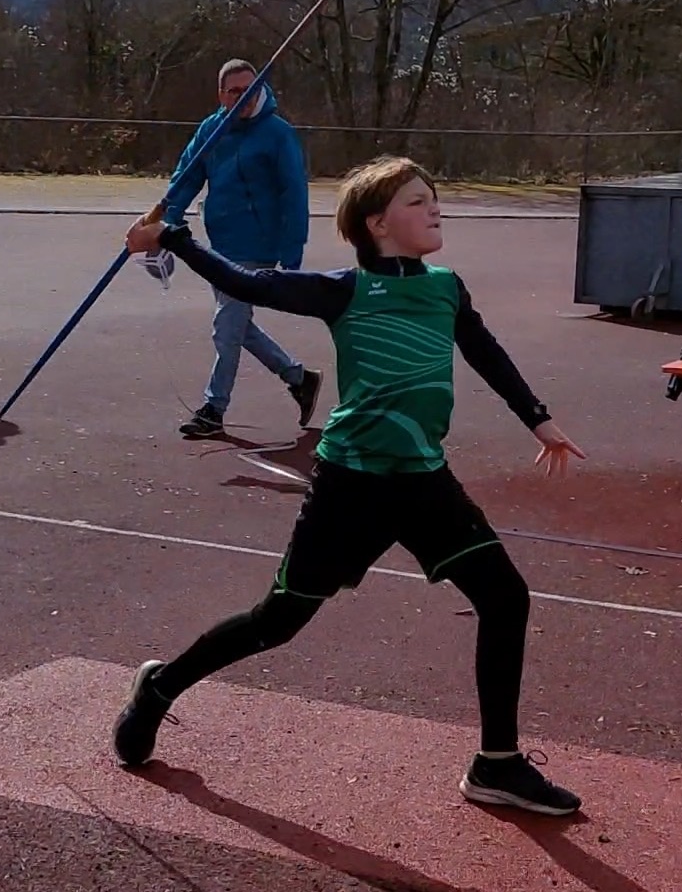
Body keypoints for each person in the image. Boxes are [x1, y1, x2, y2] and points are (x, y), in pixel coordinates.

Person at [115, 155, 587, 816]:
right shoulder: (345, 290)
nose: (434, 208)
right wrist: (173, 237)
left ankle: (497, 764)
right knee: (276, 623)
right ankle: (160, 687)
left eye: (433, 197)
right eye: (417, 201)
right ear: (377, 224)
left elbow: (484, 350)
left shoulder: (446, 289)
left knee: (505, 597)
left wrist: (538, 418)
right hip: (350, 486)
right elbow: (247, 283)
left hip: (424, 482)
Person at [152, 58, 321, 436]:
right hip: (220, 244)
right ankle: (298, 377)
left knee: (226, 326)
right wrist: (168, 218)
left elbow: (294, 192)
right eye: (235, 91)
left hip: (258, 245)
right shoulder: (211, 129)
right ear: (221, 95)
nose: (244, 98)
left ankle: (214, 409)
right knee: (238, 325)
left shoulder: (277, 133)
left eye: (251, 89)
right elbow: (187, 175)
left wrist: (292, 249)